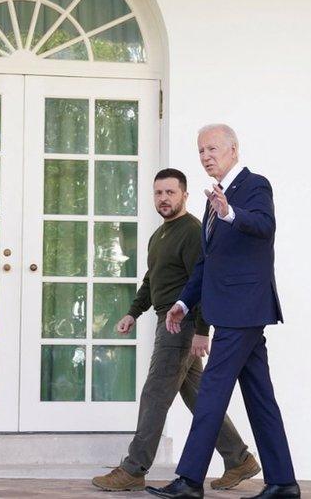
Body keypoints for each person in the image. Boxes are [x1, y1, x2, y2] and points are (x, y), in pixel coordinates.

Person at [146, 126, 299, 499]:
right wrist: (182, 303)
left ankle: (189, 481)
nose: (205, 156)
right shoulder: (213, 200)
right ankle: (283, 483)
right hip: (231, 309)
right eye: (200, 151)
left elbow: (265, 226)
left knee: (211, 391)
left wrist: (231, 213)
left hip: (243, 308)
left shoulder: (253, 186)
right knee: (260, 396)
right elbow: (207, 263)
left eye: (212, 148)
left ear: (233, 149)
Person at [92, 168, 260, 492]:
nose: (164, 199)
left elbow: (204, 282)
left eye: (170, 192)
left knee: (155, 395)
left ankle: (134, 468)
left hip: (179, 325)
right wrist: (132, 313)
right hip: (163, 320)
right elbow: (150, 280)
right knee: (199, 398)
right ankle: (239, 459)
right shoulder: (160, 235)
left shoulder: (193, 232)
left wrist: (200, 331)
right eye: (158, 193)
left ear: (184, 194)